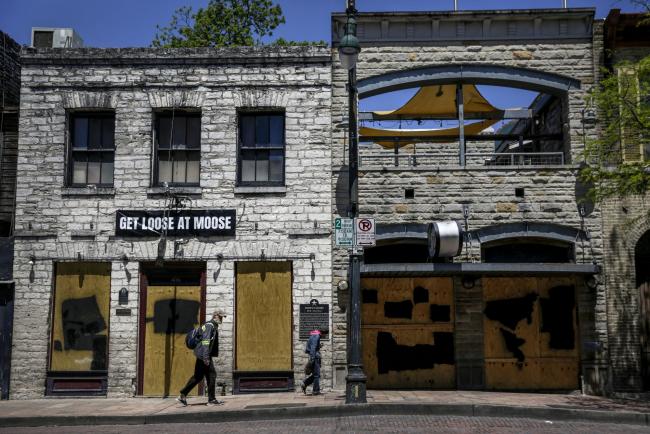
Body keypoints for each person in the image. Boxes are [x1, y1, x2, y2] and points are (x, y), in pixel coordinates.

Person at [177, 309, 225, 406]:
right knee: (212, 375)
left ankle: (183, 395)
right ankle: (211, 400)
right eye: (220, 317)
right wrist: (206, 357)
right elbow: (205, 342)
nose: (221, 319)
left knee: (198, 377)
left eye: (222, 317)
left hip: (202, 354)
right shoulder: (209, 326)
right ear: (215, 316)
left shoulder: (211, 326)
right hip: (203, 355)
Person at [300, 327, 327, 396]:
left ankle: (305, 383)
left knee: (316, 375)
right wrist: (312, 358)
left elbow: (313, 346)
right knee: (317, 375)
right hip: (315, 357)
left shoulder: (314, 335)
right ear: (323, 333)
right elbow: (313, 347)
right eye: (325, 335)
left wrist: (319, 346)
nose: (325, 336)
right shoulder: (317, 336)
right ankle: (315, 391)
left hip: (314, 356)